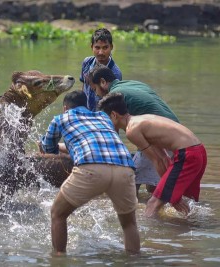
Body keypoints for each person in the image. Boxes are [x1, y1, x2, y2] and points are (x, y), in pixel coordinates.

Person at [39, 90, 140, 256]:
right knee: (129, 224)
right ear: (87, 106)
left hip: (91, 169)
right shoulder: (103, 117)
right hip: (125, 167)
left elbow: (49, 149)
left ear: (65, 108)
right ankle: (135, 260)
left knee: (57, 213)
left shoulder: (61, 119)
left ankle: (58, 259)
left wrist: (42, 145)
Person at [98, 92, 207, 217]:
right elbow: (164, 158)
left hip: (188, 155)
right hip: (198, 152)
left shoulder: (132, 130)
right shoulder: (141, 120)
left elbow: (158, 160)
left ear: (114, 115)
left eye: (105, 119)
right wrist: (170, 193)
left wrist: (170, 194)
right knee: (186, 201)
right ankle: (188, 230)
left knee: (152, 204)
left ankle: (149, 233)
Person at [88, 64, 179, 195]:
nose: (96, 93)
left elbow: (112, 131)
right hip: (174, 131)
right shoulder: (132, 84)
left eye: (94, 89)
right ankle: (161, 207)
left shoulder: (116, 95)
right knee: (152, 185)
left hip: (162, 137)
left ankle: (139, 212)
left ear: (102, 82)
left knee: (129, 181)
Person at [80, 28, 122, 111]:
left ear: (111, 47)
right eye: (97, 48)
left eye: (105, 47)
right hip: (86, 111)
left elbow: (113, 102)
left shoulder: (115, 73)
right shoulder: (87, 62)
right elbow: (83, 86)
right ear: (92, 47)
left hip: (101, 115)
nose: (101, 52)